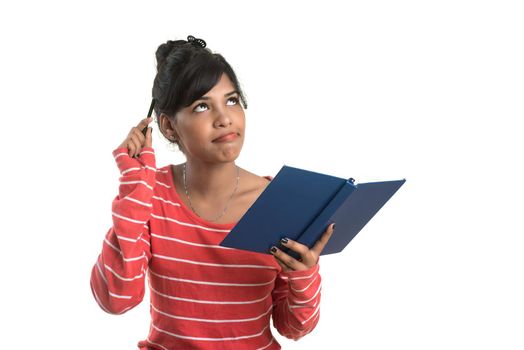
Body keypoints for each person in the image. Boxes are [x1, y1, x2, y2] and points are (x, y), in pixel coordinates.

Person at [90, 35, 335, 350]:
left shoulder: (277, 200)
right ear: (167, 126)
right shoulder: (150, 194)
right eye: (202, 106)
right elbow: (116, 299)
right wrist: (135, 186)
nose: (224, 119)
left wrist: (304, 275)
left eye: (232, 100)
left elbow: (294, 328)